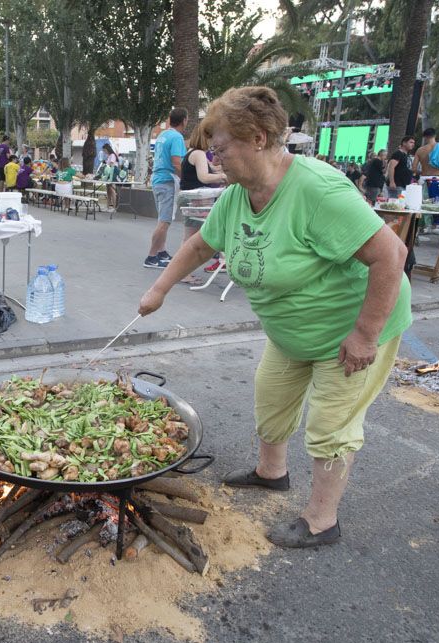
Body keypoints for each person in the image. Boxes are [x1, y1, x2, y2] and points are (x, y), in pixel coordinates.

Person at [138, 86, 411, 548]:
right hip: (291, 331)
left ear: (259, 138)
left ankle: (322, 521)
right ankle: (272, 473)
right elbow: (202, 244)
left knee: (330, 426)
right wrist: (159, 289)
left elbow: (393, 253)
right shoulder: (238, 194)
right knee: (272, 396)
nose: (216, 160)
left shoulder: (315, 189)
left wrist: (365, 334)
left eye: (221, 149)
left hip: (348, 328)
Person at [178, 124, 227, 272]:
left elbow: (211, 168)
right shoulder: (199, 154)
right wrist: (224, 176)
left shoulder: (192, 152)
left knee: (189, 238)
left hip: (189, 198)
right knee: (195, 238)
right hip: (196, 199)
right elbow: (204, 177)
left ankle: (184, 273)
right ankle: (224, 258)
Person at [145, 108, 188, 268]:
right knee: (164, 221)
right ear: (184, 120)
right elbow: (177, 162)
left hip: (158, 180)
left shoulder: (163, 135)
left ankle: (161, 252)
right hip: (167, 181)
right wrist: (186, 180)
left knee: (162, 219)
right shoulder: (177, 137)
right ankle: (151, 256)